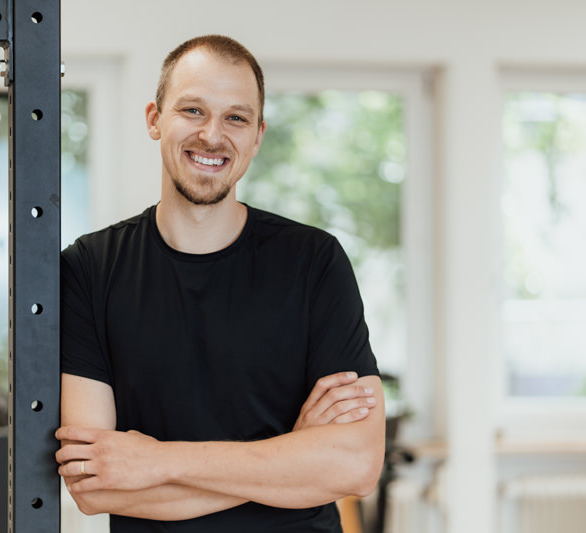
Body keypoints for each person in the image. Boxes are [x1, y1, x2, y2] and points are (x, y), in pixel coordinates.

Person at [55, 35, 385, 533]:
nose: (212, 135)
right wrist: (289, 455)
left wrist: (157, 462)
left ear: (257, 136)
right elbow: (94, 485)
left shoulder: (315, 262)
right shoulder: (87, 269)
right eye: (192, 109)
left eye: (236, 117)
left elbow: (357, 466)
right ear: (154, 118)